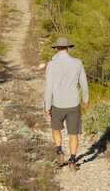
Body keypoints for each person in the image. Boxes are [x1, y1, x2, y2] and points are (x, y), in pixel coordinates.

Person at [43, 37, 89, 169]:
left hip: (57, 103)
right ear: (68, 48)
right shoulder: (77, 63)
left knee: (56, 129)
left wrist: (47, 106)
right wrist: (85, 99)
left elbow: (48, 87)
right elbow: (83, 84)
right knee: (73, 133)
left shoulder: (51, 65)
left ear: (56, 48)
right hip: (73, 104)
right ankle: (73, 160)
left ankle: (59, 151)